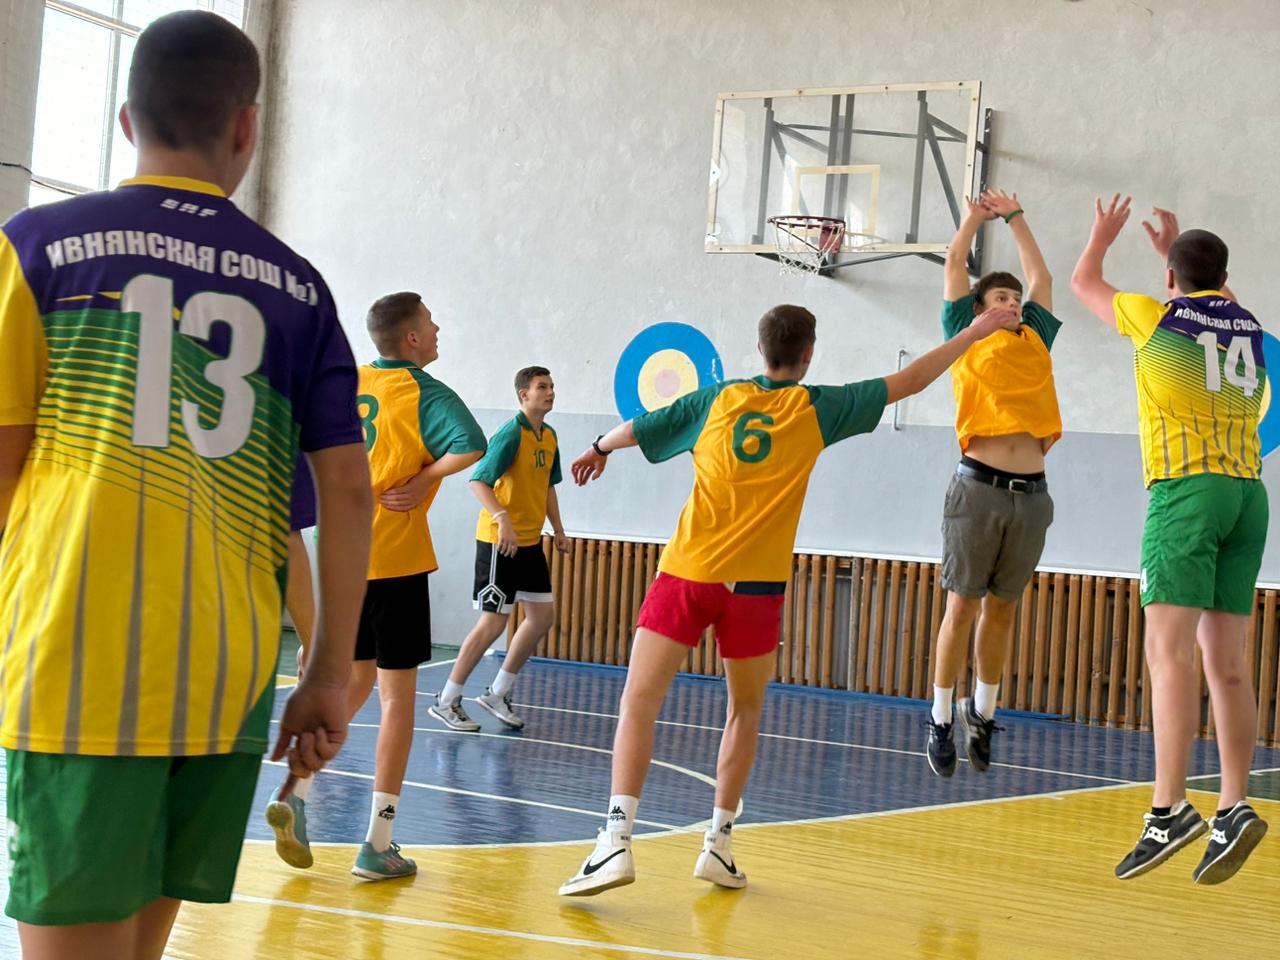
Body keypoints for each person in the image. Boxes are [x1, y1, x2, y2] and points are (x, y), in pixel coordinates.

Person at [0, 12, 371, 959]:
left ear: (128, 120)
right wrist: (329, 674)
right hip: (223, 678)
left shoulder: (36, 247)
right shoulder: (299, 290)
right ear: (245, 127)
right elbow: (346, 492)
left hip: (77, 663)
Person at [558, 301, 1012, 897]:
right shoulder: (817, 408)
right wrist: (975, 332)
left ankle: (616, 840)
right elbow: (911, 380)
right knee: (743, 711)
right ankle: (718, 845)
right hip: (758, 586)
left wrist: (598, 447)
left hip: (690, 573)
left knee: (638, 703)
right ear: (808, 354)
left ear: (760, 348)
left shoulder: (716, 400)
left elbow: (640, 426)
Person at [1071, 196, 1269, 884]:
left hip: (1186, 491)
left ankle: (1169, 809)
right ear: (1222, 276)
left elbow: (1084, 283)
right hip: (1248, 495)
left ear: (1171, 281)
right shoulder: (1245, 322)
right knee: (1228, 663)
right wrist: (1179, 256)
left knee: (1168, 654)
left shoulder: (1155, 317)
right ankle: (1234, 803)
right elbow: (1216, 295)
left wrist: (1101, 237)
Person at [266, 291, 485, 880]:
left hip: (337, 556)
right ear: (411, 338)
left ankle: (296, 788)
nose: (437, 329)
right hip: (393, 557)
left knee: (353, 679)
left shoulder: (348, 382)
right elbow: (473, 444)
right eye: (430, 322)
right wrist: (426, 476)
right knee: (397, 702)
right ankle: (378, 843)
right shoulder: (426, 393)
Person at [926, 190, 1062, 778]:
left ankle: (981, 712)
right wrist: (972, 220)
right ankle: (939, 719)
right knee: (961, 606)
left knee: (1002, 610)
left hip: (1031, 495)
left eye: (1013, 298)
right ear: (978, 310)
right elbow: (955, 264)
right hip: (978, 487)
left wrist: (1015, 217)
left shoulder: (1034, 338)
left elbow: (1042, 277)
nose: (1009, 302)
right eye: (998, 298)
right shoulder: (968, 333)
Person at [430, 366, 570, 732]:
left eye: (552, 386)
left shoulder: (549, 436)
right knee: (494, 621)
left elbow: (548, 486)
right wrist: (502, 518)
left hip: (530, 542)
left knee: (542, 617)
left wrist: (558, 529)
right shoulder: (511, 434)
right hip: (499, 542)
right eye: (542, 387)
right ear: (524, 394)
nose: (550, 392)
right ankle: (446, 700)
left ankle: (498, 692)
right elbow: (478, 481)